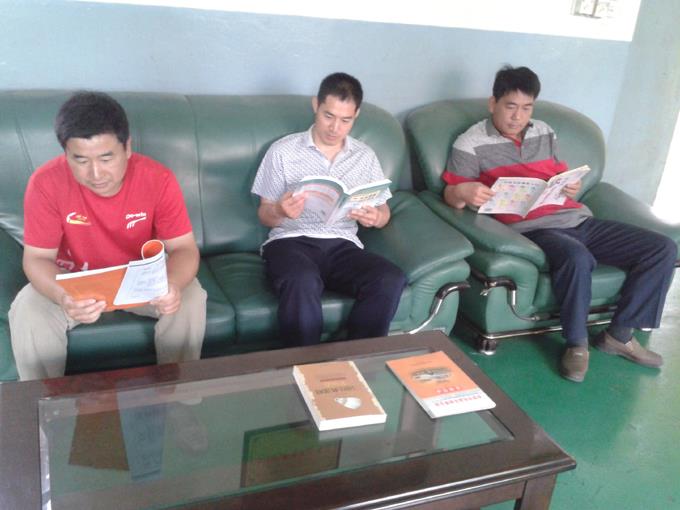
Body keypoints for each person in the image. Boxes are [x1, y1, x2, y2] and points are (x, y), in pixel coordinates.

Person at [442, 65, 677, 382]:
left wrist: (570, 187)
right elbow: (450, 195)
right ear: (492, 103)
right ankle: (577, 344)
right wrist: (462, 192)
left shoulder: (543, 131)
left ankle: (619, 336)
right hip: (534, 230)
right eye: (510, 106)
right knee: (576, 257)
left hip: (576, 219)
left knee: (662, 248)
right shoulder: (470, 142)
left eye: (526, 108)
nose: (517, 116)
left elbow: (560, 176)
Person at [9, 91, 207, 381]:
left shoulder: (158, 179)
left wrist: (173, 286)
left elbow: (184, 248)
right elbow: (37, 258)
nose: (96, 174)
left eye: (106, 158)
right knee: (28, 307)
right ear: (66, 153)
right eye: (80, 160)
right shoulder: (45, 183)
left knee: (190, 296)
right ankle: (42, 402)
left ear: (127, 147)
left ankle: (178, 395)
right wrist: (63, 296)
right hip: (74, 282)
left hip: (140, 278)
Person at [251, 72, 407, 346]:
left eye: (345, 120)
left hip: (342, 245)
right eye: (328, 116)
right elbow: (264, 214)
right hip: (290, 242)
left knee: (390, 278)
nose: (335, 128)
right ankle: (303, 365)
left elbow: (384, 212)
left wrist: (376, 217)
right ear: (316, 105)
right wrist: (280, 211)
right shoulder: (283, 151)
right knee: (302, 280)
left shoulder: (364, 156)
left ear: (356, 115)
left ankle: (357, 358)